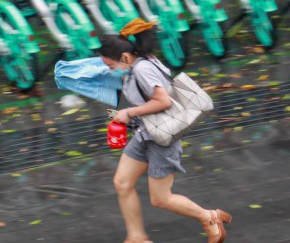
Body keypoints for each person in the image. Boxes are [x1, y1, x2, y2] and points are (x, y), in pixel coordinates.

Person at [97, 18, 232, 243]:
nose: (109, 69)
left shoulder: (142, 70)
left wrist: (129, 113)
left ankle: (209, 217)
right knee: (122, 182)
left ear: (124, 57)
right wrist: (125, 116)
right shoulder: (140, 62)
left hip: (161, 139)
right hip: (145, 134)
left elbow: (163, 101)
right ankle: (137, 237)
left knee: (160, 199)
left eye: (110, 65)